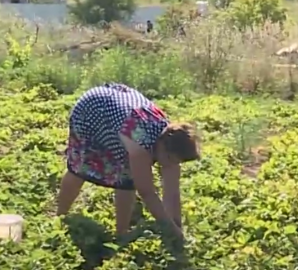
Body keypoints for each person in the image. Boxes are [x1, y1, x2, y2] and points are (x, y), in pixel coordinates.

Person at [55, 83, 200, 241]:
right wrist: (171, 230)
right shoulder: (141, 143)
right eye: (171, 160)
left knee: (126, 177)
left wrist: (177, 227)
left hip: (120, 118)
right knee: (80, 167)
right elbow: (147, 192)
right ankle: (60, 218)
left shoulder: (170, 146)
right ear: (163, 147)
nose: (171, 165)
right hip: (92, 111)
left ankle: (121, 234)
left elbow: (172, 193)